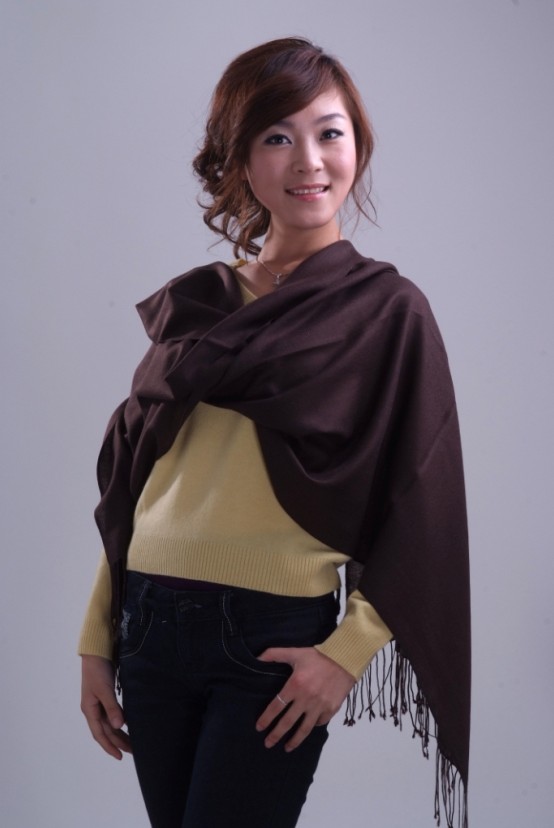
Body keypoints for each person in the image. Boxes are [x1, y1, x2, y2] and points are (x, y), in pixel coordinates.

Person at [79, 37, 470, 828]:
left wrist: (346, 656)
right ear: (241, 160)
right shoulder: (199, 304)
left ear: (358, 147)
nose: (309, 160)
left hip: (269, 638)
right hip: (147, 623)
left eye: (330, 133)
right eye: (277, 137)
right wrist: (96, 636)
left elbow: (422, 504)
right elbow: (140, 481)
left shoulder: (387, 313)